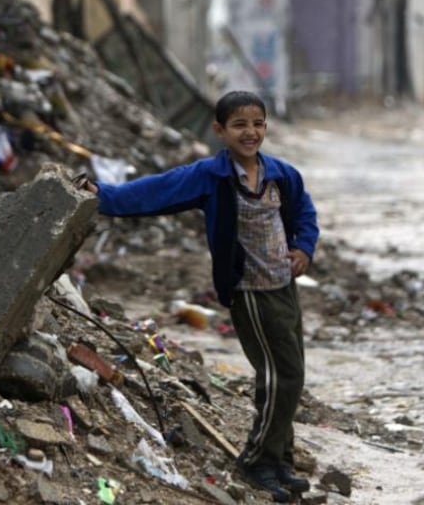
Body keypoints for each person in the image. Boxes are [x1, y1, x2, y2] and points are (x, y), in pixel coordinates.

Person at [79, 90, 319, 503]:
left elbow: (304, 214)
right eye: (240, 125)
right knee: (282, 376)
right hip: (250, 293)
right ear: (220, 130)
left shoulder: (282, 174)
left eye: (258, 123)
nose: (250, 132)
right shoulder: (210, 177)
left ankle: (280, 458)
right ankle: (257, 459)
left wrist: (303, 248)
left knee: (289, 376)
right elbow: (156, 191)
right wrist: (105, 196)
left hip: (284, 288)